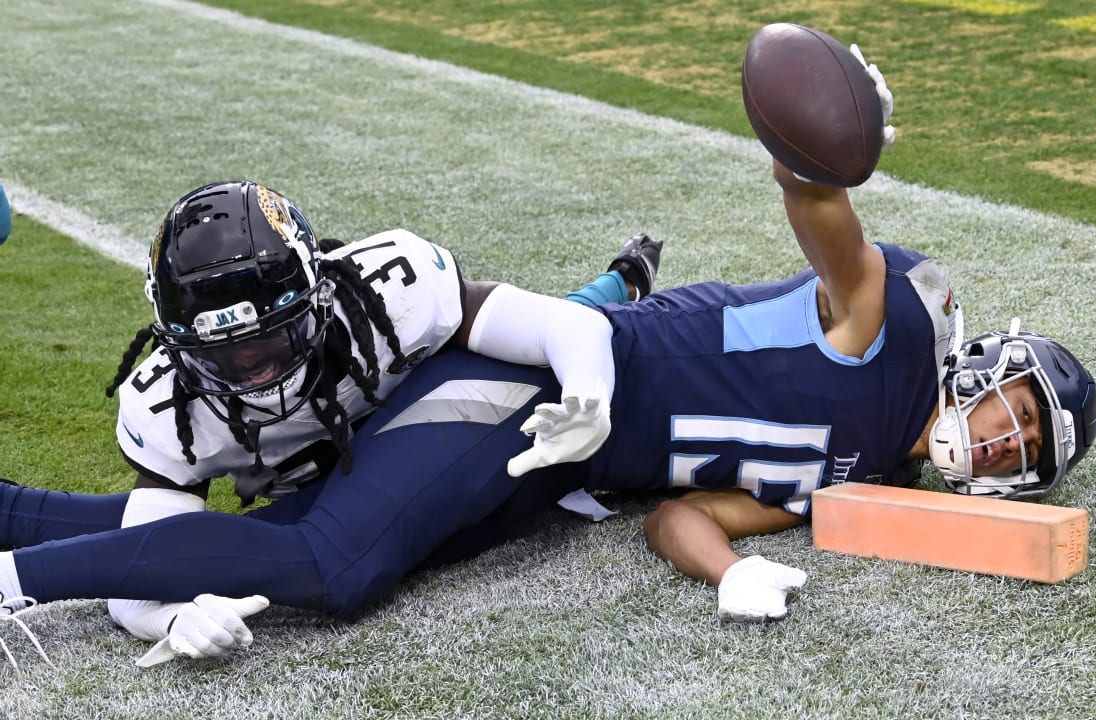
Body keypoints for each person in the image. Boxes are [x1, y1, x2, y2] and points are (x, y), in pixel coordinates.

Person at [0, 40, 1096, 665]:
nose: (998, 443)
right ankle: (19, 581)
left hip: (558, 462)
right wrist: (824, 149)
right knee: (332, 564)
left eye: (1021, 451)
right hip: (535, 385)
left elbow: (684, 513)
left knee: (296, 533)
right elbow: (825, 219)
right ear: (979, 362)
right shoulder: (884, 331)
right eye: (1012, 410)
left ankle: (13, 512)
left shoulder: (866, 480)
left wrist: (732, 573)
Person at [0, 179, 661, 665]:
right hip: (325, 492)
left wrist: (589, 392)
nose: (253, 371)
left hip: (437, 416)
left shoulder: (387, 291)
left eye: (269, 342)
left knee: (536, 354)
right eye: (223, 356)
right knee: (243, 533)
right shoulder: (166, 401)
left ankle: (620, 283)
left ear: (318, 296)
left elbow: (547, 325)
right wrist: (171, 615)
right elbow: (142, 555)